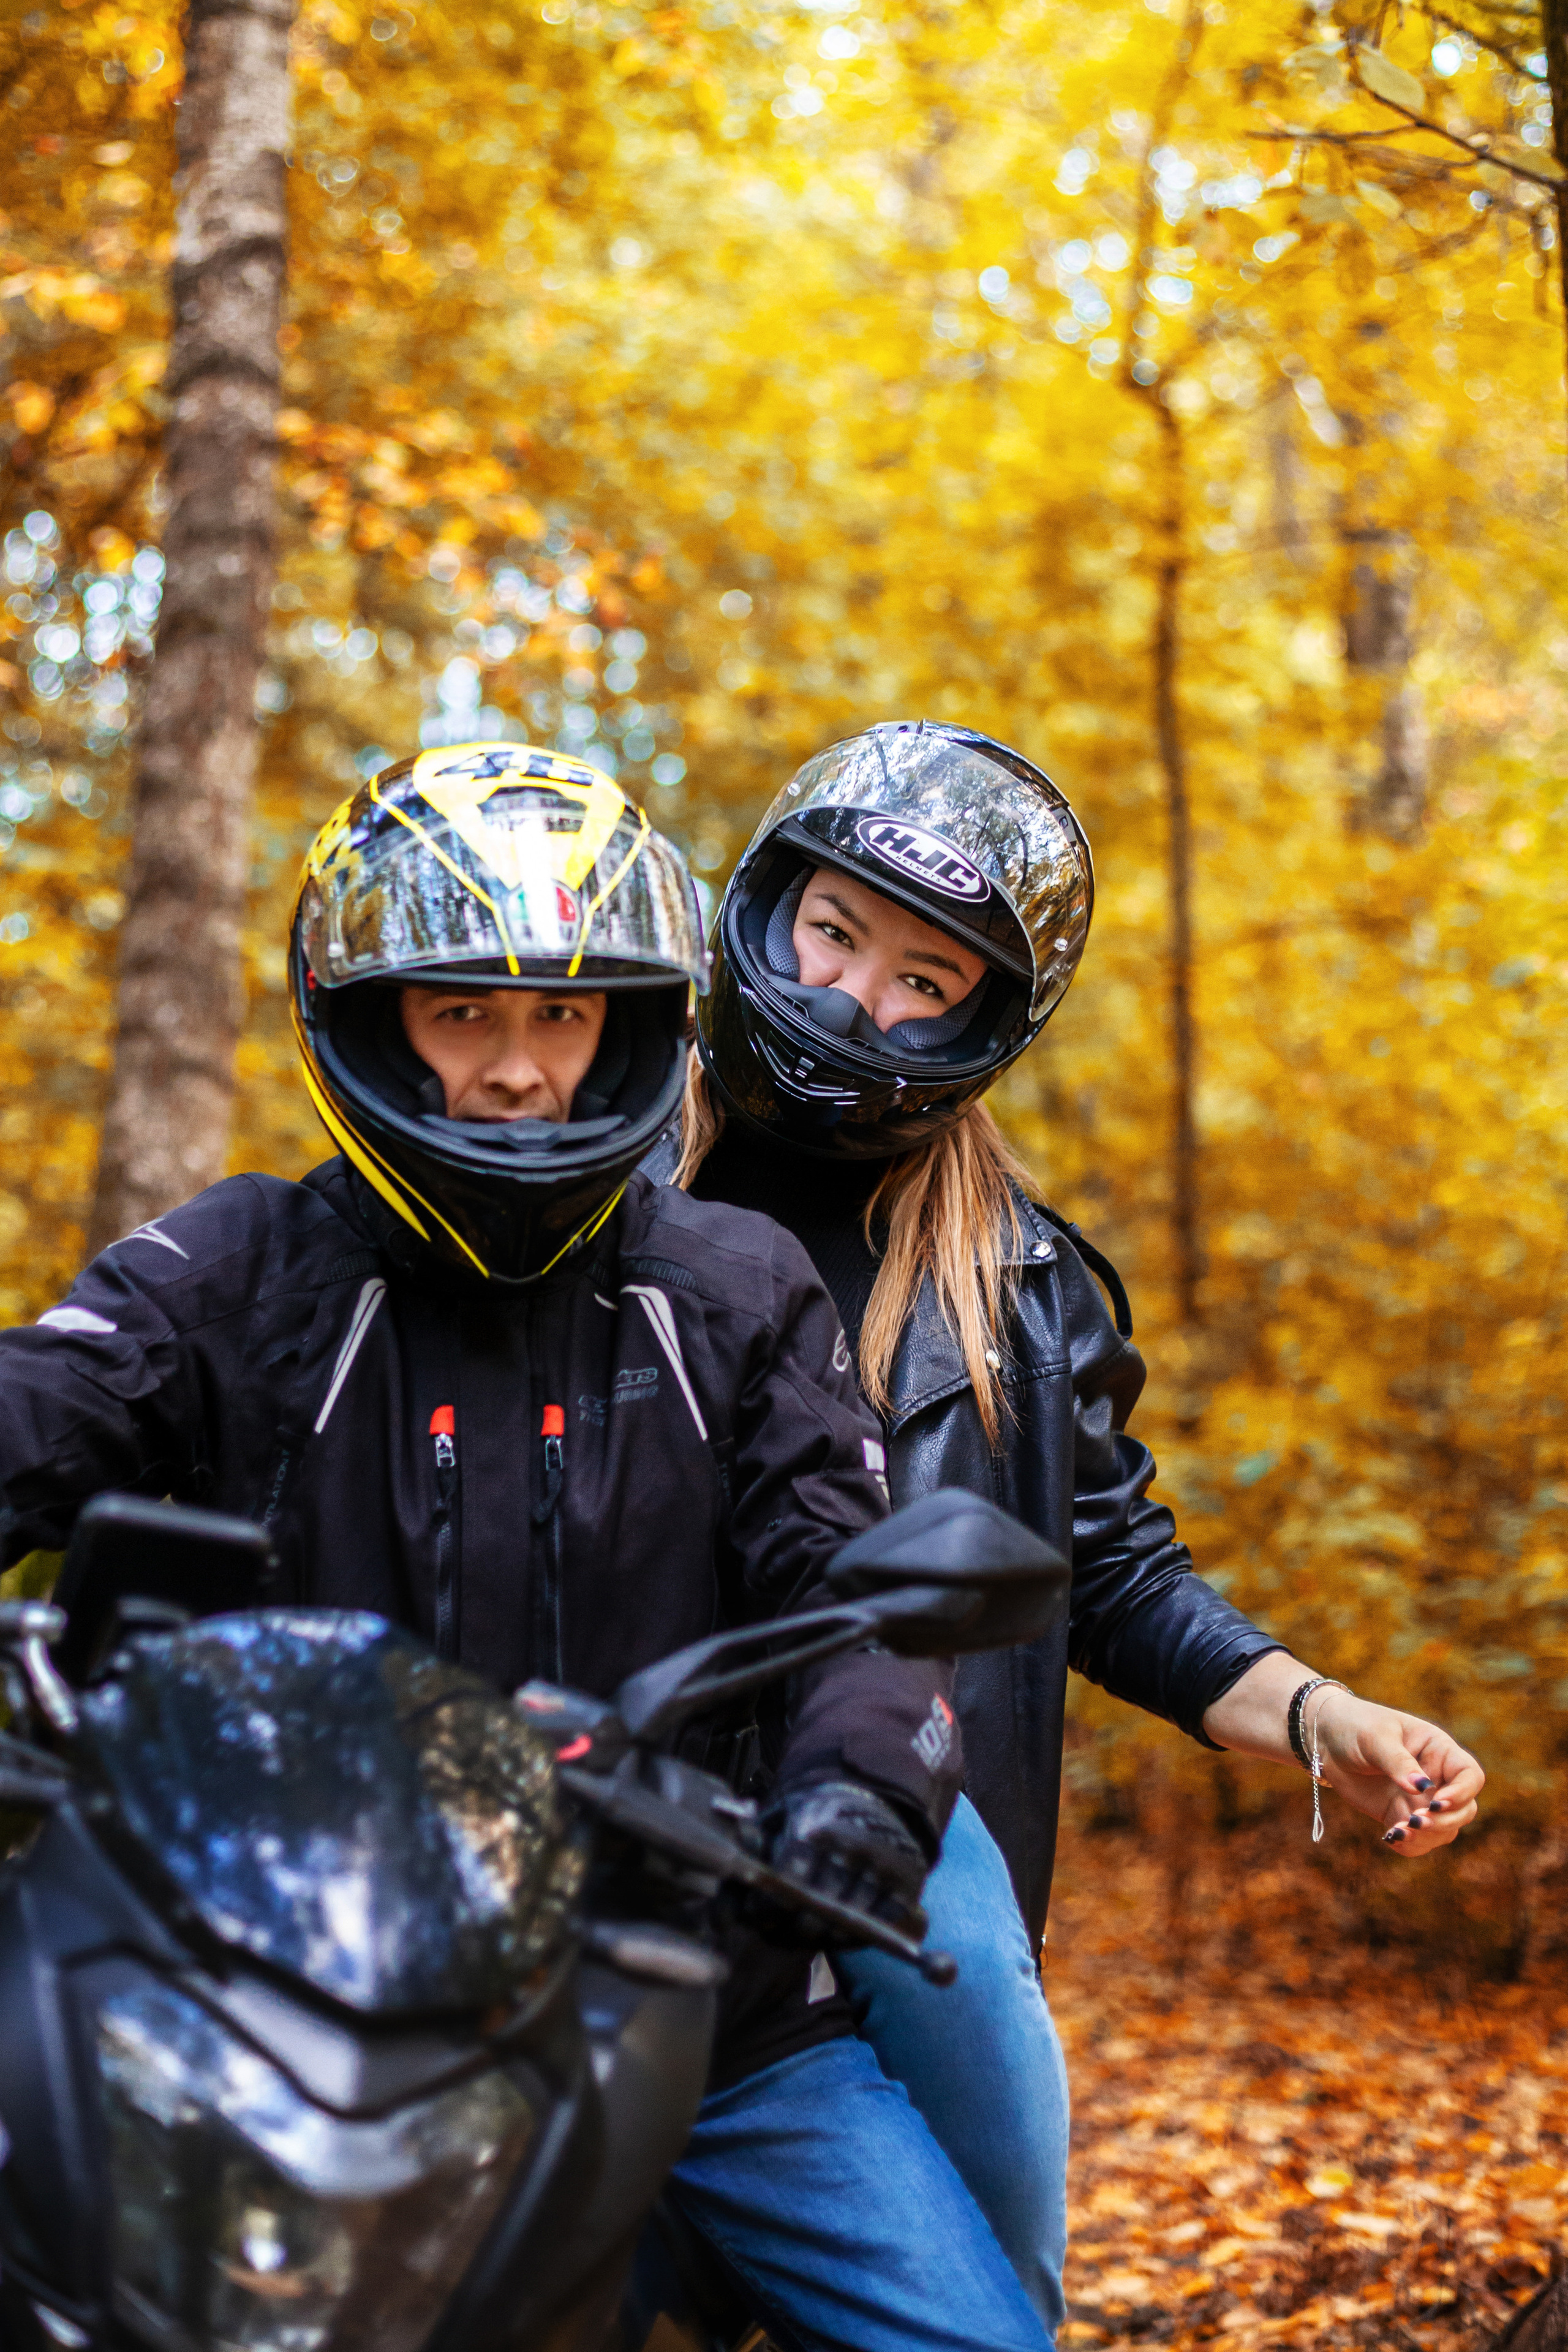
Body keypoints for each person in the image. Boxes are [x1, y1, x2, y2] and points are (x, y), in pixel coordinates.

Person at [0, 740, 1057, 2352]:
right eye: (465, 1012)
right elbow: (38, 1404)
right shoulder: (236, 1272)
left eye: (559, 1015)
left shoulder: (732, 1286)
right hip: (300, 2004)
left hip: (705, 1999)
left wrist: (854, 1794)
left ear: (626, 1025)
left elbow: (860, 1603)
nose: (515, 1069)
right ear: (371, 1018)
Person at [658, 718, 1487, 2340]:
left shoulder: (1020, 1284)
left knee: (986, 2256)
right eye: (835, 936)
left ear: (984, 1019)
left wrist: (1326, 1717)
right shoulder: (581, 1179)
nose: (858, 1001)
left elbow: (1113, 1575)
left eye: (924, 980)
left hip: (906, 1821)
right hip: (601, 1784)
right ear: (766, 912)